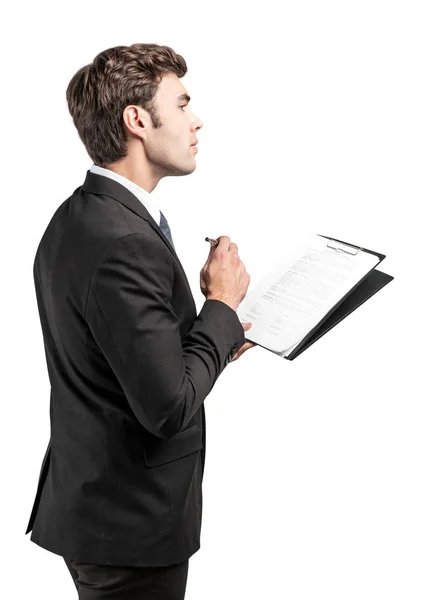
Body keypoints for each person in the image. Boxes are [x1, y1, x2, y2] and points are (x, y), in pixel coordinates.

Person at [24, 42, 256, 600]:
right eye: (181, 105)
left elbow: (122, 357)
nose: (196, 120)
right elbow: (168, 406)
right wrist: (221, 308)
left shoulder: (83, 214)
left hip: (102, 513)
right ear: (137, 121)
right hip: (128, 528)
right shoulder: (124, 240)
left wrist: (218, 337)